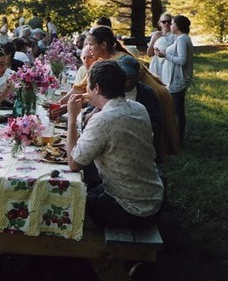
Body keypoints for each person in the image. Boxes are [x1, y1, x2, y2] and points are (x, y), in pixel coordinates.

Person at [66, 60, 164, 228]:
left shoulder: (103, 120)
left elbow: (74, 163)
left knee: (67, 204)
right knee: (87, 188)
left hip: (131, 209)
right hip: (154, 196)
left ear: (96, 88)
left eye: (88, 86)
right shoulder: (138, 107)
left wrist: (72, 118)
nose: (87, 91)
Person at [75, 26, 179, 160]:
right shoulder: (104, 61)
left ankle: (151, 160)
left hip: (153, 93)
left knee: (155, 135)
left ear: (103, 45)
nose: (89, 48)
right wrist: (63, 106)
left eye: (90, 44)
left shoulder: (119, 61)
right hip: (131, 95)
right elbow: (82, 87)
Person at [155, 15, 194, 145]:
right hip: (174, 80)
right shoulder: (181, 39)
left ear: (178, 26)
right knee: (177, 110)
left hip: (177, 81)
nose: (170, 26)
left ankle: (176, 140)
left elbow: (182, 61)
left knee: (176, 111)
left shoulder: (182, 40)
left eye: (172, 24)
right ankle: (177, 138)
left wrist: (165, 55)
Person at [118, 54, 162, 161]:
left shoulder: (147, 93)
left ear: (137, 76)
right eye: (123, 76)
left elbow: (156, 124)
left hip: (139, 142)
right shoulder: (108, 90)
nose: (126, 80)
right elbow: (88, 116)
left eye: (130, 76)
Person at [147, 13, 176, 78]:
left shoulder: (175, 36)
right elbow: (149, 54)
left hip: (169, 64)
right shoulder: (155, 35)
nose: (166, 24)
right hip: (156, 65)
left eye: (169, 22)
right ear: (160, 23)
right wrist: (154, 39)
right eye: (164, 22)